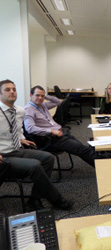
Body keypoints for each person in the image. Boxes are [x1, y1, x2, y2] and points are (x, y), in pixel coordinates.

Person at [0, 79, 73, 210]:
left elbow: (17, 129)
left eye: (14, 89)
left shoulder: (20, 111)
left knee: (48, 158)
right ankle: (57, 200)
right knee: (35, 165)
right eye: (7, 89)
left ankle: (34, 199)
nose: (12, 92)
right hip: (3, 156)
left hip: (17, 149)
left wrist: (21, 138)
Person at [24, 85, 96, 167]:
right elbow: (30, 128)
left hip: (61, 133)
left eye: (42, 96)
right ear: (31, 95)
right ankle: (103, 166)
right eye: (37, 95)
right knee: (82, 149)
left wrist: (45, 96)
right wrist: (51, 131)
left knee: (82, 148)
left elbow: (59, 102)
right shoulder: (29, 109)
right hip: (51, 139)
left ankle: (101, 163)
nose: (40, 98)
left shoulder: (42, 105)